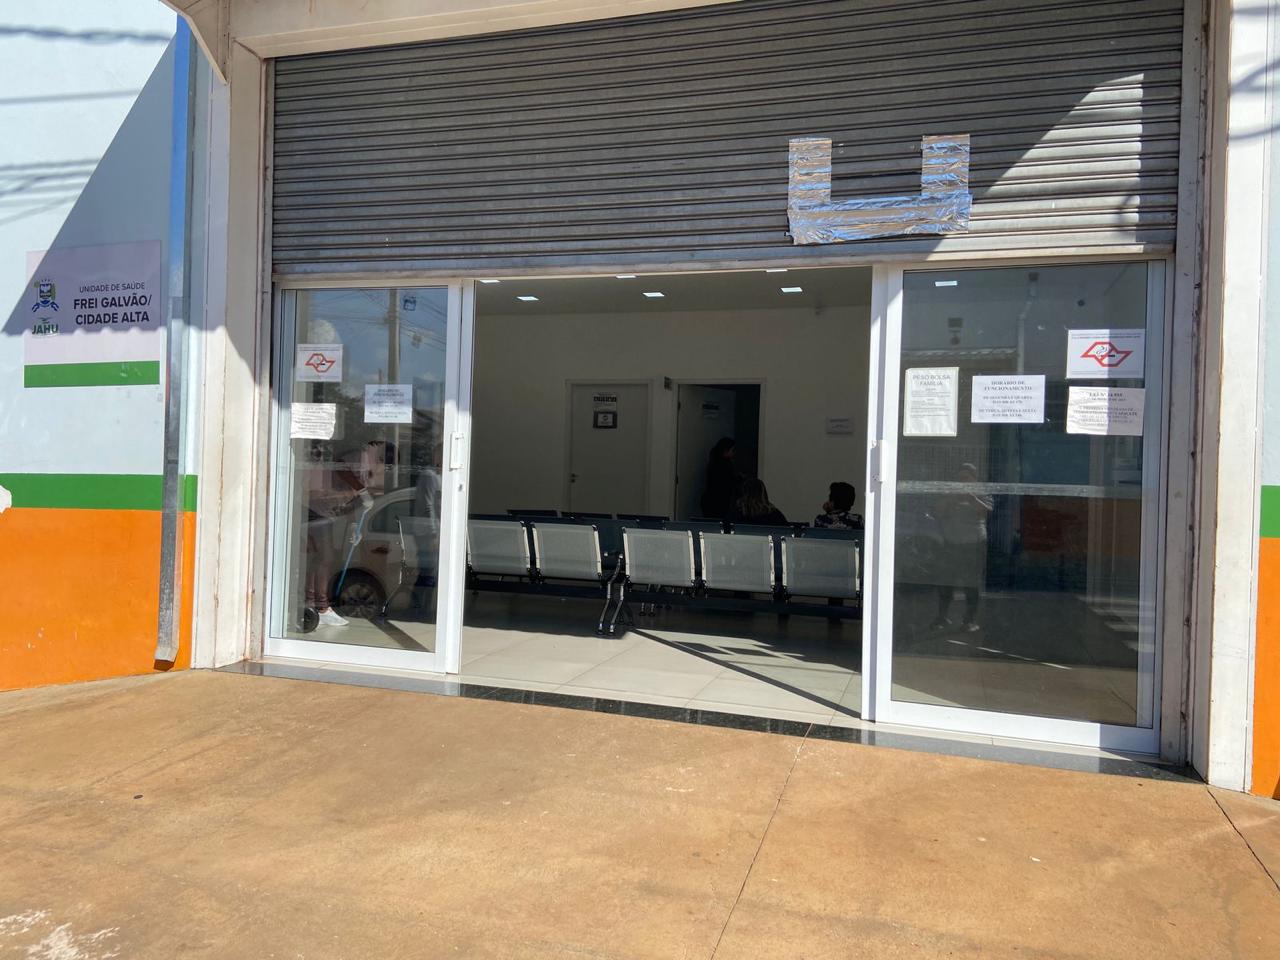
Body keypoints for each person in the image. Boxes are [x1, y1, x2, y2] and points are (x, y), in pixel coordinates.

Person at [931, 462, 993, 633]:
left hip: (974, 544)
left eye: (967, 478)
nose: (963, 481)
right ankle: (942, 617)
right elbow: (938, 511)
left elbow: (986, 512)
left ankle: (969, 620)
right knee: (946, 582)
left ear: (974, 479)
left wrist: (971, 498)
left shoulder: (982, 492)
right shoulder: (950, 492)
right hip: (951, 543)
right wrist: (952, 498)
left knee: (971, 584)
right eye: (960, 478)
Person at [700, 437, 741, 520]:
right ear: (726, 451)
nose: (734, 453)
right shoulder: (724, 465)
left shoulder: (714, 463)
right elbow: (727, 482)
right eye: (732, 450)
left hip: (711, 500)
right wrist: (739, 479)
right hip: (720, 501)